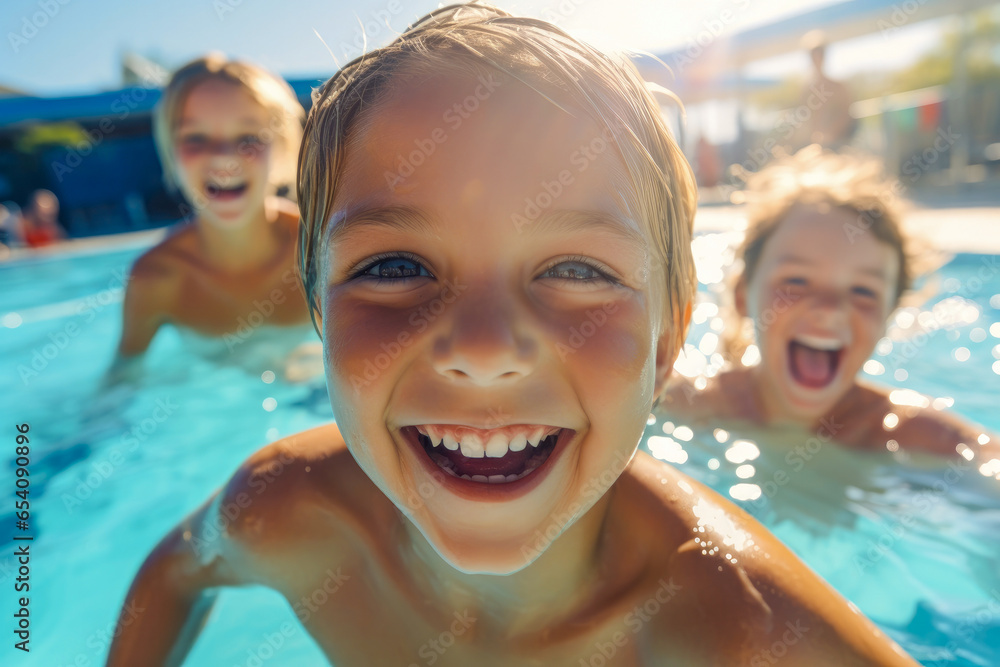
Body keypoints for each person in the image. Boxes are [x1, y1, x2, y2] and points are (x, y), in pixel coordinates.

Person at [106, 6, 920, 665]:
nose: (485, 349)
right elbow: (176, 569)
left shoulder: (741, 631)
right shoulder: (282, 513)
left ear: (670, 339)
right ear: (319, 315)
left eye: (576, 269)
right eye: (395, 267)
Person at [662, 146, 997, 463]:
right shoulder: (685, 404)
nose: (830, 309)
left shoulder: (925, 439)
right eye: (796, 281)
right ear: (742, 296)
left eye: (863, 291)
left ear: (889, 314)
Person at [111, 54, 310, 369]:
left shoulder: (323, 250)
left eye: (248, 138)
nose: (222, 158)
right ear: (170, 153)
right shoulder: (155, 278)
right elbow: (122, 382)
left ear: (283, 146)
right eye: (196, 138)